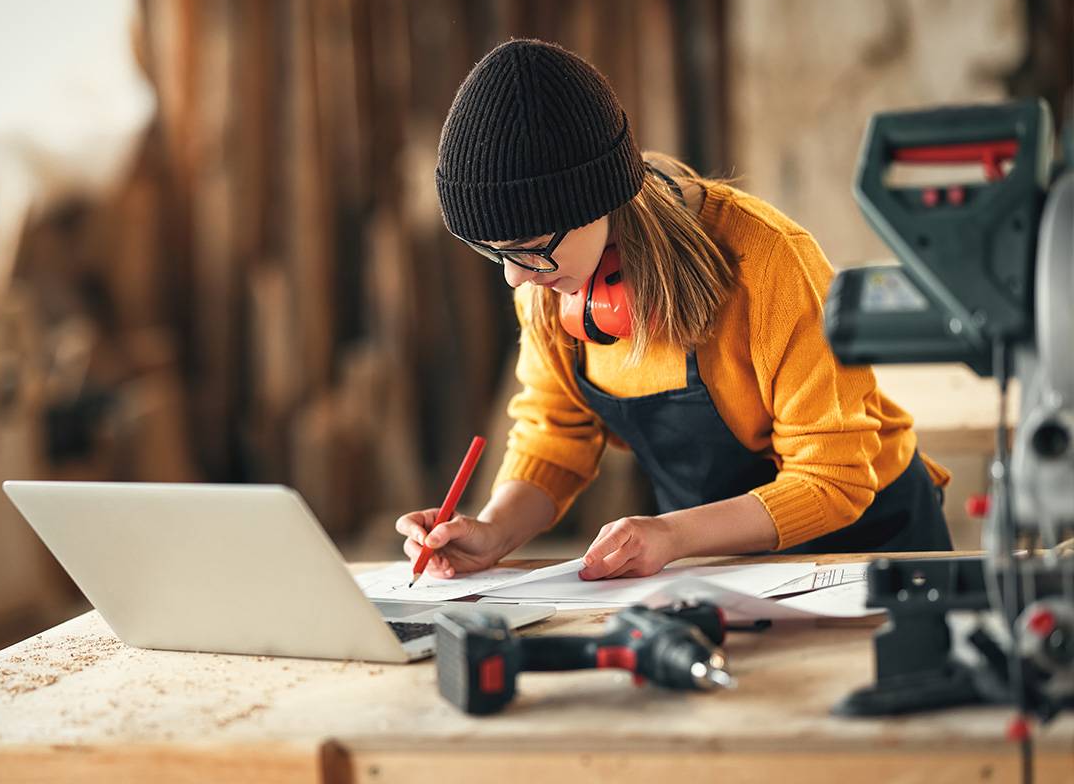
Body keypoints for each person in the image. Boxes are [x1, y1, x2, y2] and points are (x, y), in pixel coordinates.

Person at [397, 38, 953, 582]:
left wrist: (674, 535)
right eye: (494, 252)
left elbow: (833, 476)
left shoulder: (770, 261)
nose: (515, 276)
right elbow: (555, 437)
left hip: (870, 554)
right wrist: (493, 530)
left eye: (528, 247)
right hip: (725, 571)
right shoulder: (548, 280)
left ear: (597, 198)